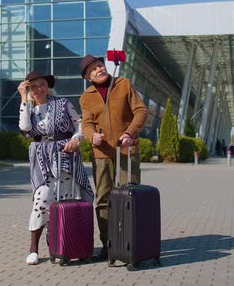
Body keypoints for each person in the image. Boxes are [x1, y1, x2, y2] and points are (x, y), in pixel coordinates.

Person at [18, 70, 94, 265]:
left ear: (48, 86)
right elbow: (25, 128)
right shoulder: (29, 109)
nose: (39, 89)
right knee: (41, 199)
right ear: (28, 90)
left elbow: (80, 124)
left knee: (64, 199)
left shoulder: (62, 103)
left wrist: (76, 140)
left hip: (65, 155)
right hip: (41, 159)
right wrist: (22, 97)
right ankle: (33, 248)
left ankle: (60, 242)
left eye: (42, 84)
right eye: (33, 86)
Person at [79, 55, 148, 261]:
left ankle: (131, 243)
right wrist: (93, 136)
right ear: (88, 77)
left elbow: (141, 111)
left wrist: (129, 133)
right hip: (102, 153)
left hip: (127, 149)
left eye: (100, 65)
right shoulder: (86, 96)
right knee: (102, 199)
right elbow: (87, 123)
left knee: (131, 196)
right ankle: (108, 244)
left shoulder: (123, 84)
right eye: (93, 69)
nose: (99, 69)